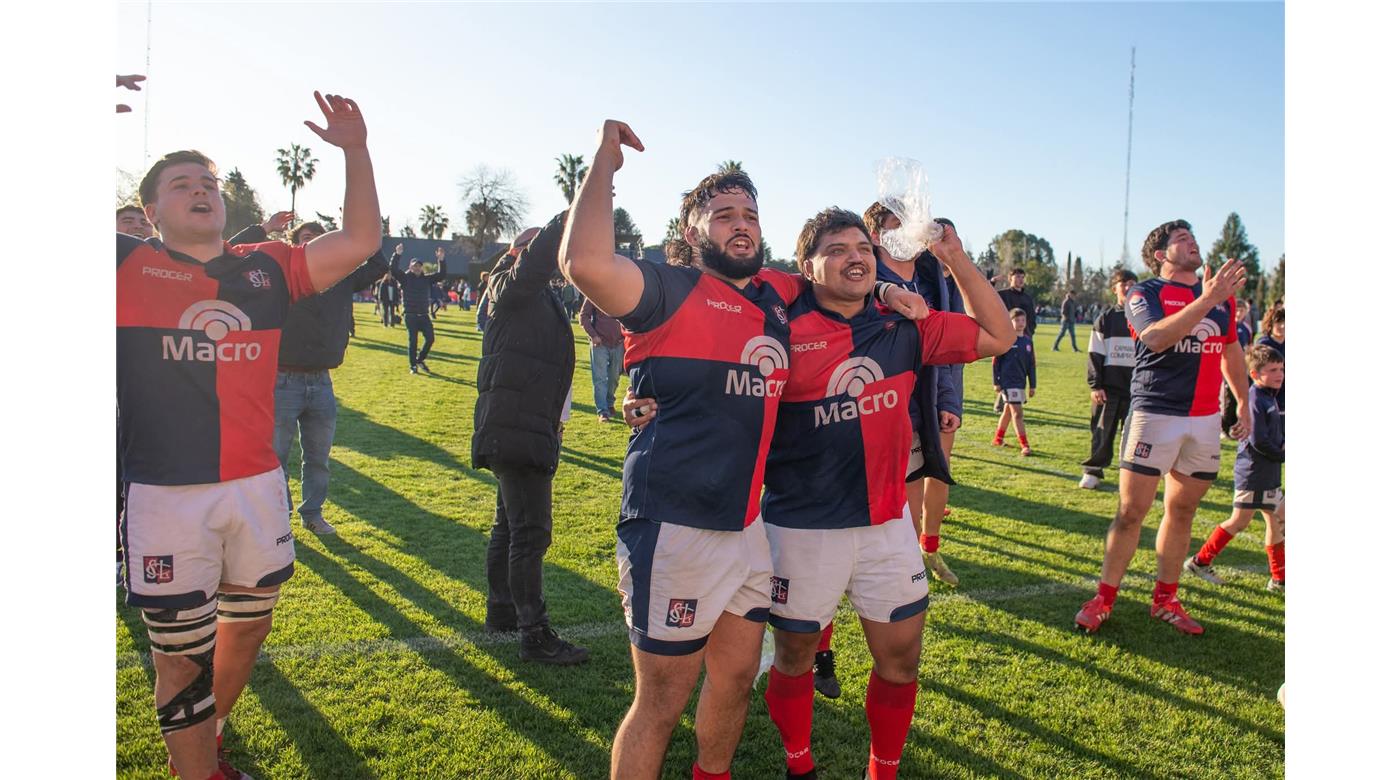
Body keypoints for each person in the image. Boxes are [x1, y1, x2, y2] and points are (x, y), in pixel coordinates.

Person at [558, 120, 927, 780]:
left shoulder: (777, 296)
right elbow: (583, 264)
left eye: (750, 213)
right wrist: (605, 168)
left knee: (732, 684)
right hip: (672, 526)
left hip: (748, 528)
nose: (741, 224)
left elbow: (842, 277)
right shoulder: (666, 289)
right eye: (723, 214)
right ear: (695, 230)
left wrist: (891, 290)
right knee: (661, 702)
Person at [117, 91, 380, 780]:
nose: (200, 190)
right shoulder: (120, 266)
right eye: (181, 184)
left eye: (207, 181)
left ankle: (213, 731)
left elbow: (359, 243)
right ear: (151, 211)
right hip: (166, 495)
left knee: (252, 621)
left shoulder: (265, 265)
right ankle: (195, 771)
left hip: (257, 484)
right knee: (178, 654)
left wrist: (354, 149)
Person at [757, 208, 1010, 780]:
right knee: (796, 657)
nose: (857, 257)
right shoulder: (779, 327)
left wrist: (954, 259)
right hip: (801, 528)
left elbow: (1001, 335)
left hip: (887, 524)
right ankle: (800, 766)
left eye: (864, 249)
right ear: (807, 265)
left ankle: (883, 772)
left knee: (900, 661)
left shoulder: (905, 325)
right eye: (839, 248)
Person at [1074, 220, 1251, 636]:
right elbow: (1155, 338)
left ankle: (1165, 599)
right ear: (1159, 255)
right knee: (1132, 511)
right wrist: (1208, 298)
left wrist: (1242, 401)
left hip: (1204, 420)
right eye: (1181, 240)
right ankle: (1104, 598)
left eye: (1193, 237)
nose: (1192, 244)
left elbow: (1230, 351)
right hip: (1155, 414)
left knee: (1183, 510)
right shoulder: (1146, 292)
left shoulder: (1218, 299)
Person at [469, 220, 589, 665]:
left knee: (509, 526)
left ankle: (501, 611)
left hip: (522, 425)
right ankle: (533, 634)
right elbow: (537, 259)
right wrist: (574, 209)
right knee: (530, 534)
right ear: (522, 251)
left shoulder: (525, 292)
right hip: (516, 428)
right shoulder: (513, 284)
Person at [226, 219, 388, 536]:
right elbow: (229, 255)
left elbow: (377, 262)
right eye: (305, 238)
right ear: (294, 243)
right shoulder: (276, 277)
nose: (312, 242)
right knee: (275, 458)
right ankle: (278, 516)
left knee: (318, 458)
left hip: (322, 382)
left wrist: (365, 224)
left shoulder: (341, 276)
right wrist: (262, 229)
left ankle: (312, 513)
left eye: (318, 238)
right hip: (281, 381)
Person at [863, 204, 964, 595]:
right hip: (871, 413)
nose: (909, 232)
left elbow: (942, 348)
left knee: (914, 490)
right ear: (877, 236)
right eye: (896, 225)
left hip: (919, 408)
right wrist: (882, 288)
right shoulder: (867, 275)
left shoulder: (927, 279)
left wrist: (946, 398)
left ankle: (920, 554)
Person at [1184, 344, 1285, 591]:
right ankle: (1199, 561)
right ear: (1254, 374)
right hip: (1253, 474)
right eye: (1272, 370)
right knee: (1240, 521)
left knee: (1275, 521)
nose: (1279, 374)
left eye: (1281, 369)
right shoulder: (1254, 399)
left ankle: (1279, 579)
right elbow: (1258, 439)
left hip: (1267, 473)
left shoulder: (1269, 397)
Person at [1080, 269, 1138, 489]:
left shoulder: (1146, 317)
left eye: (1132, 283)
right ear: (1115, 289)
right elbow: (1094, 353)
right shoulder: (1106, 319)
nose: (1128, 287)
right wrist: (1096, 385)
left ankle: (1133, 477)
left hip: (1138, 389)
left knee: (1136, 436)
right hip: (1109, 388)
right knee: (1102, 431)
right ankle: (1093, 470)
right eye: (1123, 283)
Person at [388, 244, 448, 374]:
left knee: (430, 338)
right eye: (415, 266)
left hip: (424, 315)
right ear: (410, 266)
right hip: (410, 314)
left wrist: (441, 260)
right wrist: (397, 254)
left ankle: (420, 360)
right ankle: (413, 366)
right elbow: (393, 269)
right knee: (413, 341)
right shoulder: (404, 278)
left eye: (419, 266)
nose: (417, 268)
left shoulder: (426, 279)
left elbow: (441, 275)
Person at [992, 308, 1037, 455]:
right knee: (1017, 413)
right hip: (1007, 382)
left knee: (1008, 412)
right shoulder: (1007, 340)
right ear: (1010, 322)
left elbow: (1031, 365)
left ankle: (998, 438)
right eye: (1017, 320)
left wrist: (1033, 385)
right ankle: (1025, 445)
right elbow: (996, 362)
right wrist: (996, 382)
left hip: (1020, 383)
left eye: (1023, 320)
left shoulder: (1028, 342)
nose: (1020, 323)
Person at [580, 296, 625, 421]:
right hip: (599, 343)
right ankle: (603, 411)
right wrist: (593, 335)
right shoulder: (593, 292)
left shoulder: (622, 292)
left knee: (614, 377)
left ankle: (609, 403)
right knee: (600, 378)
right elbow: (583, 316)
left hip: (619, 342)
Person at [1221, 299, 1256, 435]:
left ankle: (1238, 423)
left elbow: (1250, 345)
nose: (1239, 313)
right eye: (1237, 310)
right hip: (1228, 364)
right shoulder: (1228, 324)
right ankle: (1225, 427)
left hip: (1243, 364)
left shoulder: (1247, 327)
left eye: (1242, 310)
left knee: (1241, 394)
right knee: (1227, 395)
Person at [1258, 301, 1284, 410]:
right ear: (1270, 324)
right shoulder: (1264, 344)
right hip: (1269, 398)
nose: (1283, 326)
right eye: (1279, 322)